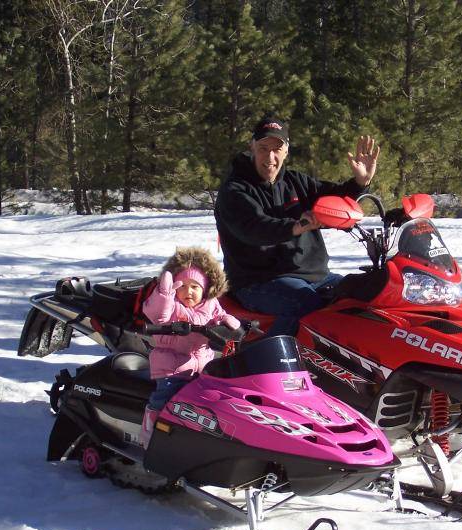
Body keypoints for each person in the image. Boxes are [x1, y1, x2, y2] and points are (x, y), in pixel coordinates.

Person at [214, 116, 380, 336]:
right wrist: (296, 226)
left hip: (316, 277)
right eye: (263, 148)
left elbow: (335, 197)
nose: (270, 157)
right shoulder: (235, 190)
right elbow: (254, 228)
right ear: (251, 147)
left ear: (286, 151)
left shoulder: (296, 182)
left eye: (277, 149)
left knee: (358, 298)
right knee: (305, 304)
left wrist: (360, 182)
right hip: (259, 281)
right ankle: (270, 363)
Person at [140, 246, 240, 447]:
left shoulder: (210, 304)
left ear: (205, 289)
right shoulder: (172, 305)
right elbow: (158, 315)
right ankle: (150, 429)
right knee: (165, 398)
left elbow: (219, 315)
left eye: (194, 286)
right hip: (171, 368)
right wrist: (165, 294)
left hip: (202, 366)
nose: (188, 292)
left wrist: (227, 321)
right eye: (183, 286)